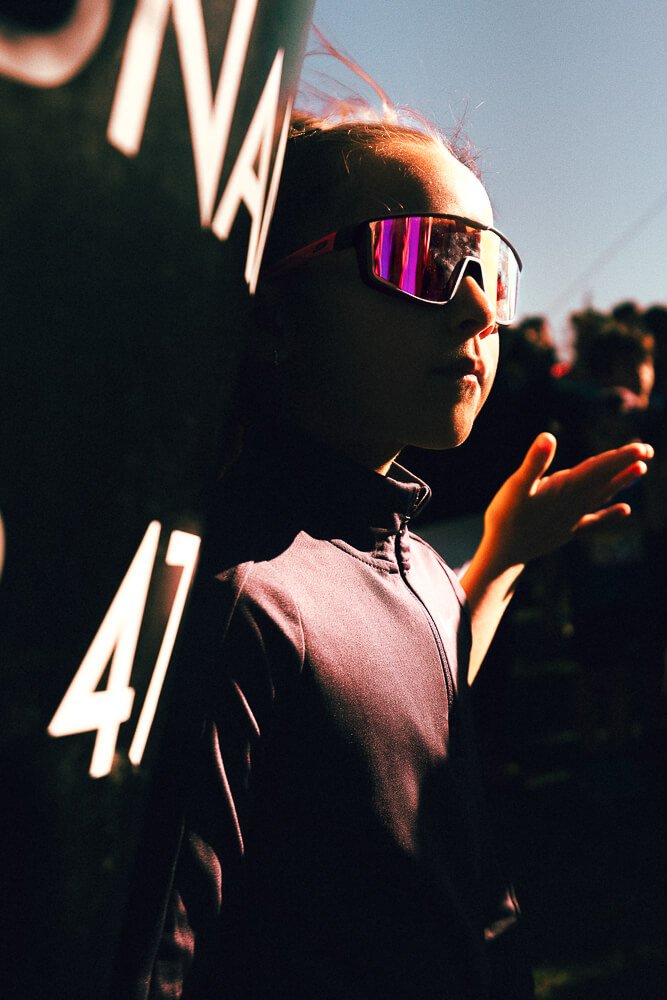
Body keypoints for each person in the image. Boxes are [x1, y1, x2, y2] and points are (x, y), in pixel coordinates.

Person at [138, 100, 653, 999]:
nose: (481, 307)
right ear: (271, 315)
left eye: (491, 270)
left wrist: (500, 556)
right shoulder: (242, 602)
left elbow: (421, 680)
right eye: (423, 256)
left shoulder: (407, 554)